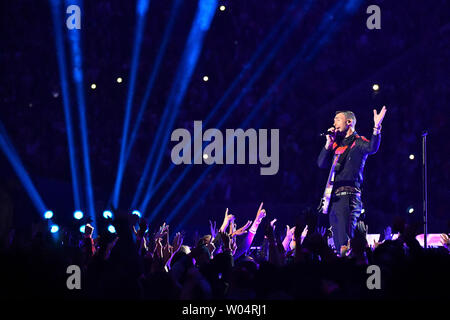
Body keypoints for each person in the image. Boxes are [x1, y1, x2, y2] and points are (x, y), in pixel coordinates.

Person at [317, 106, 387, 251]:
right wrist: (327, 144)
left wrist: (377, 127)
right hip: (334, 199)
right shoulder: (336, 145)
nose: (334, 123)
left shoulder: (358, 142)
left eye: (338, 120)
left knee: (345, 242)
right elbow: (321, 164)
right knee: (337, 243)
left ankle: (352, 267)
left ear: (349, 122)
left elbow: (372, 148)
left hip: (349, 198)